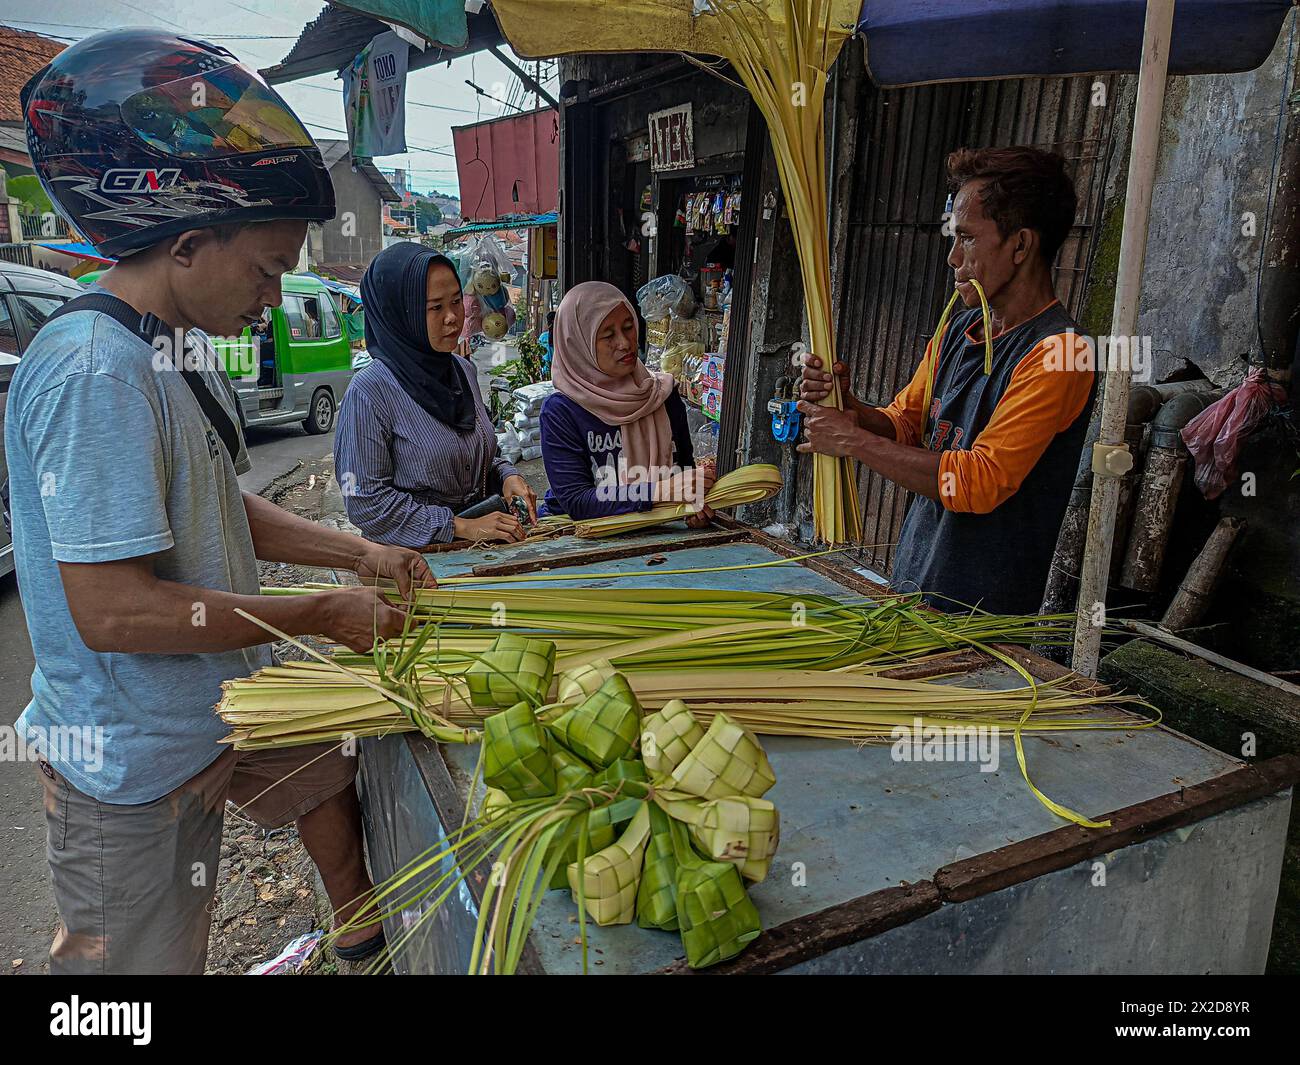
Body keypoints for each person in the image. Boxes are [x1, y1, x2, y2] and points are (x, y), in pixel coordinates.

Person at [10, 29, 435, 974]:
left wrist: (356, 556)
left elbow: (212, 506)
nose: (275, 298)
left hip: (219, 701)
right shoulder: (96, 372)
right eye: (269, 268)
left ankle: (358, 924)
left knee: (322, 768)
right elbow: (115, 609)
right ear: (191, 242)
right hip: (132, 765)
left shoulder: (175, 346)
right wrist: (323, 613)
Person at [798, 146, 1095, 614]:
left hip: (983, 611)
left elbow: (980, 482)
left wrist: (852, 441)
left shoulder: (1062, 354)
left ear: (1020, 245)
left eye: (968, 239)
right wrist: (849, 408)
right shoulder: (960, 327)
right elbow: (905, 424)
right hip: (917, 581)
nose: (954, 258)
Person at [334, 242, 536, 546]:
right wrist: (459, 526)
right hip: (413, 568)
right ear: (398, 315)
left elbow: (478, 455)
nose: (452, 317)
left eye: (456, 301)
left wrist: (507, 475)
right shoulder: (370, 392)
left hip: (479, 554)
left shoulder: (462, 371)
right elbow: (365, 502)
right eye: (435, 307)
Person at [539, 281, 713, 524]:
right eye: (608, 335)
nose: (625, 342)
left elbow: (682, 473)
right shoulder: (562, 412)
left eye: (629, 327)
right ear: (578, 343)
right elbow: (578, 501)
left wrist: (693, 506)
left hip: (657, 532)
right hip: (578, 536)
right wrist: (659, 492)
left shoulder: (662, 394)